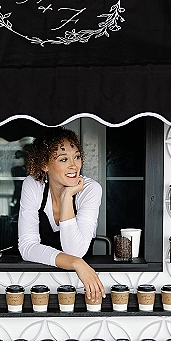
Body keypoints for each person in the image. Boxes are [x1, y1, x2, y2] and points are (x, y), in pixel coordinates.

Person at [18, 128, 106, 301]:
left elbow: (75, 250)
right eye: (63, 159)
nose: (74, 165)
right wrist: (76, 263)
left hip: (81, 289)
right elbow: (27, 247)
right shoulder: (33, 185)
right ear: (44, 165)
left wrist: (67, 197)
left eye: (77, 157)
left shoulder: (90, 189)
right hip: (38, 286)